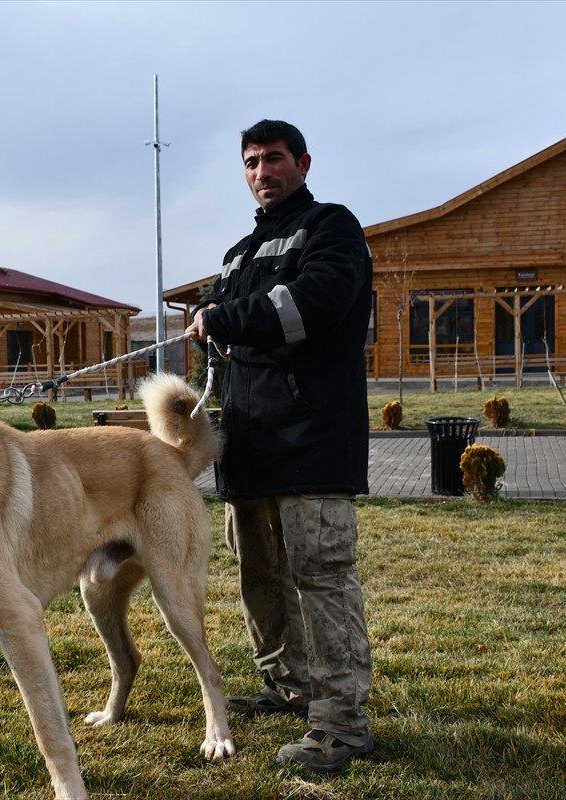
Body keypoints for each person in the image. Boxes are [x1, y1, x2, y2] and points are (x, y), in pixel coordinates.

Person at [186, 119, 374, 773]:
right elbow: (221, 311)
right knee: (258, 576)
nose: (263, 171)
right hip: (249, 445)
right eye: (251, 162)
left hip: (313, 441)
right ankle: (288, 686)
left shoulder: (332, 229)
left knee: (321, 578)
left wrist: (226, 317)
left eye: (274, 159)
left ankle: (342, 723)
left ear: (303, 162)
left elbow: (309, 306)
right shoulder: (240, 252)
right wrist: (215, 316)